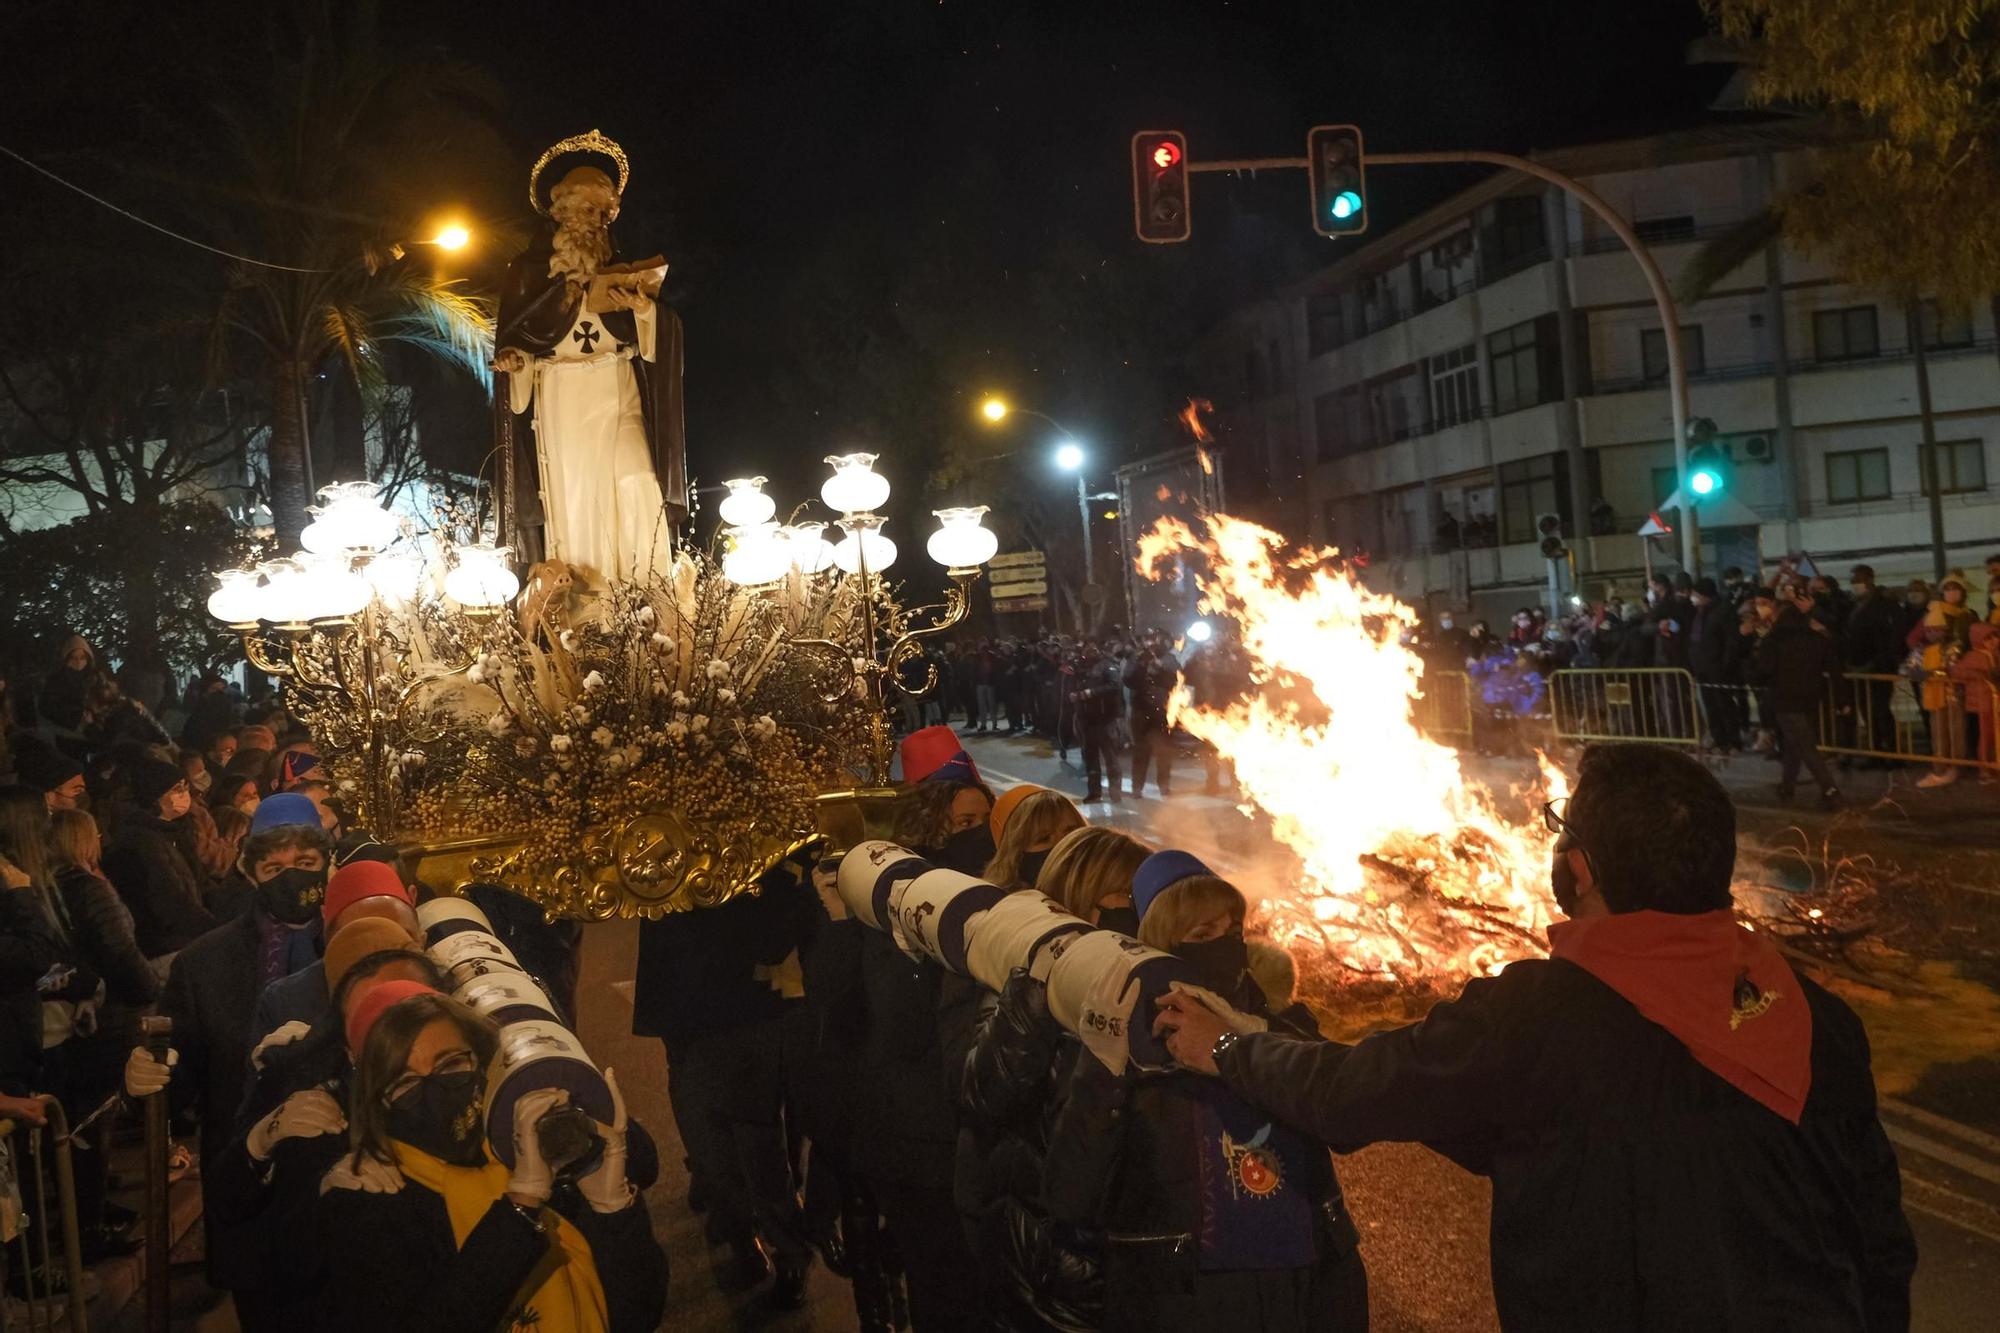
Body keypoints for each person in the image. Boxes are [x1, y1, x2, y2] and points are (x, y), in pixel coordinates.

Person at [1155, 743, 1915, 1331]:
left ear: (1575, 869)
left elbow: (1351, 1092)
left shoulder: (1535, 1017)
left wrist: (1226, 1046)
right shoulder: (1814, 1014)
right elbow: (1880, 1233)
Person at [1038, 856, 1368, 1332]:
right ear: (1161, 945)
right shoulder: (1127, 1047)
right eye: (1201, 933)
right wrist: (1101, 1073)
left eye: (1233, 928)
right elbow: (1070, 1196)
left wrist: (1249, 1041)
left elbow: (1345, 1111)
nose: (1225, 944)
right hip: (1189, 1303)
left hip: (1303, 1291)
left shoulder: (1285, 1028)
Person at [317, 986, 667, 1331]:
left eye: (451, 1064)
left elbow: (637, 1314)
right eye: (405, 1082)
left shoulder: (539, 1148)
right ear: (381, 1101)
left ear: (486, 1064)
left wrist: (613, 1210)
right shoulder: (370, 1199)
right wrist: (521, 1205)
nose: (434, 1090)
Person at [121, 793, 333, 1320]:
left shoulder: (359, 942)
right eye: (274, 866)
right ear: (251, 870)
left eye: (305, 864)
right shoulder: (204, 965)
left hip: (346, 1191)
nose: (291, 877)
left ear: (327, 863)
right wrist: (141, 1080)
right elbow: (179, 1084)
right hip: (253, 1194)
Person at [493, 144, 687, 582]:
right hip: (563, 393)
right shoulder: (526, 271)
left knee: (638, 477)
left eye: (604, 212)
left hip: (619, 384)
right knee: (578, 499)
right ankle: (592, 612)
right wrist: (515, 361)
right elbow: (515, 342)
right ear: (561, 211)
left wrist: (641, 309)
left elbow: (663, 333)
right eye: (589, 208)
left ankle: (651, 593)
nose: (597, 220)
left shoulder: (618, 266)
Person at [102, 755, 213, 956]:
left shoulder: (179, 831)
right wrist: (215, 929)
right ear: (154, 795)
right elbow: (169, 903)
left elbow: (201, 882)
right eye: (177, 789)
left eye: (185, 787)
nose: (185, 794)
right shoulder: (141, 842)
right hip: (164, 945)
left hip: (189, 935)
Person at [1751, 587, 1842, 807]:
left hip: (1785, 698)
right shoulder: (1816, 638)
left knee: (1804, 745)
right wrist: (1841, 698)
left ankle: (1829, 788)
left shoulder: (1773, 639)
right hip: (1811, 697)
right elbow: (1832, 666)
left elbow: (1763, 671)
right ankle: (1787, 785)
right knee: (1794, 743)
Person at [983, 785, 1086, 890]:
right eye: (1044, 839)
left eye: (1070, 831)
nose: (1063, 843)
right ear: (1014, 855)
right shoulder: (1013, 904)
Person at [1124, 630, 1181, 798]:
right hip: (1141, 711)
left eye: (1156, 640)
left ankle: (1164, 785)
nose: (1152, 643)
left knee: (1164, 751)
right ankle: (1137, 787)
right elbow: (1127, 679)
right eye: (1149, 640)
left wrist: (1161, 667)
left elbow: (1177, 677)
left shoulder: (1168, 659)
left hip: (1161, 711)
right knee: (1141, 751)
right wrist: (1141, 664)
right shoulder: (1137, 657)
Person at [1069, 642, 1126, 803]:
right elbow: (1071, 684)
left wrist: (1091, 693)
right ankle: (1094, 792)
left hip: (1105, 720)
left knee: (1111, 758)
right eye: (1087, 649)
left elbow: (1114, 686)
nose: (1089, 652)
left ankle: (1115, 792)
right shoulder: (1081, 667)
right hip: (1086, 721)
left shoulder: (1107, 666)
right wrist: (1075, 695)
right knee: (1090, 759)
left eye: (1092, 649)